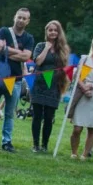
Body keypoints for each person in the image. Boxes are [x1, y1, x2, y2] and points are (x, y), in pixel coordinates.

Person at [0, 8, 34, 152]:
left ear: (28, 21)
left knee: (9, 113)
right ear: (15, 17)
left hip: (16, 80)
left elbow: (26, 57)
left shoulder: (29, 38)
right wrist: (18, 52)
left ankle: (7, 141)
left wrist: (7, 51)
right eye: (19, 17)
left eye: (24, 18)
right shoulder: (4, 31)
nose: (21, 20)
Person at [31, 20, 70, 152]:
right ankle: (35, 144)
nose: (53, 32)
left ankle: (45, 145)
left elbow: (65, 67)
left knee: (49, 117)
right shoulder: (40, 46)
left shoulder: (63, 49)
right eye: (50, 30)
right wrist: (47, 48)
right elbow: (38, 62)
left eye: (55, 30)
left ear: (59, 33)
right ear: (46, 32)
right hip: (39, 84)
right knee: (37, 115)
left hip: (54, 86)